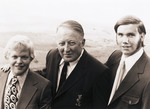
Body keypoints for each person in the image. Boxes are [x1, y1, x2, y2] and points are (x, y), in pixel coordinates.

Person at [44, 20, 110, 109]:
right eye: (62, 43)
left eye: (71, 43)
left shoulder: (99, 72)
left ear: (82, 43)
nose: (66, 49)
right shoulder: (52, 56)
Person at [106, 15, 150, 109]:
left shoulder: (148, 75)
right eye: (120, 35)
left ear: (142, 36)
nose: (125, 41)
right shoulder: (115, 57)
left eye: (130, 35)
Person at [0, 35, 51, 109]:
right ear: (7, 57)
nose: (19, 61)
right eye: (15, 57)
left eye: (24, 57)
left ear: (31, 58)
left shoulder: (43, 86)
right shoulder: (1, 75)